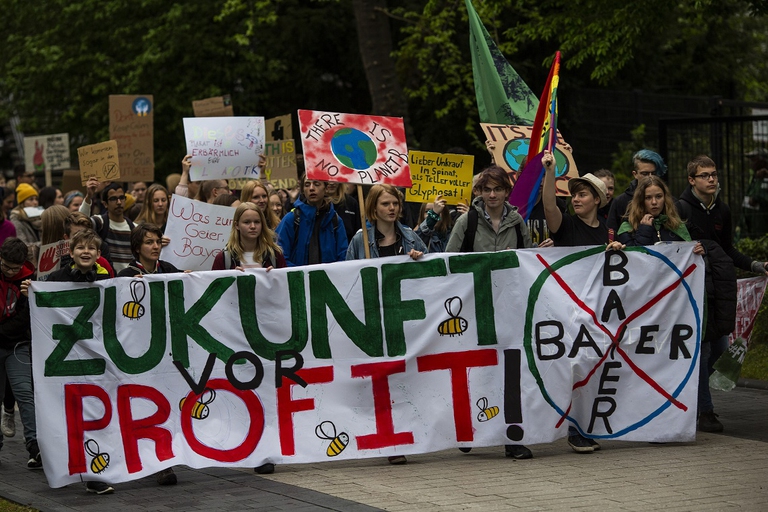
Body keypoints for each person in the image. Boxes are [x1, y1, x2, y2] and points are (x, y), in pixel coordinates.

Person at [443, 166, 534, 460]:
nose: (492, 195)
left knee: (509, 372)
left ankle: (513, 438)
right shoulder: (466, 222)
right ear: (479, 193)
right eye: (487, 190)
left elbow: (527, 262)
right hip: (472, 309)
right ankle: (468, 430)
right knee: (474, 371)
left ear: (506, 192)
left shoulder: (518, 222)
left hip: (508, 309)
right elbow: (447, 262)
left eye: (498, 189)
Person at [541, 149, 628, 453]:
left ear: (597, 200)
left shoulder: (607, 232)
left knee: (592, 370)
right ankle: (575, 429)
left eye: (582, 195)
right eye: (574, 195)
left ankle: (586, 424)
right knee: (572, 368)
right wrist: (550, 171)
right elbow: (549, 204)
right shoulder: (565, 225)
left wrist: (616, 250)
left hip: (596, 315)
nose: (576, 199)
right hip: (566, 311)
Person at [675, 154, 768, 433]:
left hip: (720, 291)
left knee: (721, 353)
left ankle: (691, 400)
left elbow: (727, 249)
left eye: (714, 174)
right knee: (702, 353)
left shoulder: (723, 210)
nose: (712, 179)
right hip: (694, 292)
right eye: (705, 175)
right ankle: (705, 411)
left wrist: (757, 265)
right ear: (692, 180)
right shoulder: (680, 209)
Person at [346, 184, 425, 465]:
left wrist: (419, 260)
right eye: (385, 204)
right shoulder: (360, 241)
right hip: (375, 320)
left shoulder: (412, 238)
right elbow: (347, 279)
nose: (391, 208)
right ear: (373, 208)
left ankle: (407, 433)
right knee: (384, 382)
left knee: (406, 379)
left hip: (405, 321)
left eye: (395, 203)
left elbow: (431, 279)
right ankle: (391, 440)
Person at [41, 229, 114, 494]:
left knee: (93, 416)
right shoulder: (56, 279)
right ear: (71, 253)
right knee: (67, 417)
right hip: (65, 362)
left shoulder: (108, 280)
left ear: (97, 255)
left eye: (91, 248)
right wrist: (31, 293)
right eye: (80, 247)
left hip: (95, 361)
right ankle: (65, 466)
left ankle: (94, 473)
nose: (86, 251)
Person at [0, 238, 41, 471]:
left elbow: (26, 317)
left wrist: (26, 296)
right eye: (5, 266)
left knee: (25, 393)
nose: (9, 271)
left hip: (17, 343)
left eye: (14, 268)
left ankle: (34, 444)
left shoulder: (29, 279)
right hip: (7, 339)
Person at [276, 176, 348, 266]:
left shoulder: (335, 221)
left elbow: (343, 257)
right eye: (307, 185)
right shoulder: (291, 219)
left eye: (316, 184)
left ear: (326, 188)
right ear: (302, 190)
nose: (311, 188)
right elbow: (280, 257)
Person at [617, 176, 700, 246]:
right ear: (640, 201)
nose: (654, 202)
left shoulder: (676, 225)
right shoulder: (628, 228)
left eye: (658, 196)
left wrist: (700, 249)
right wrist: (644, 230)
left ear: (665, 198)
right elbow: (634, 258)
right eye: (648, 198)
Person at [80, 179, 135, 273]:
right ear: (105, 204)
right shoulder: (100, 222)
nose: (118, 202)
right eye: (113, 199)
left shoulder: (134, 227)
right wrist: (89, 196)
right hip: (107, 280)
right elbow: (80, 222)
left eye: (122, 198)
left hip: (128, 280)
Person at [212, 202, 286, 271]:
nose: (253, 226)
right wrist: (230, 278)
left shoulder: (275, 255)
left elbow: (286, 282)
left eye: (257, 222)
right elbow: (213, 284)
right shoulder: (224, 258)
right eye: (247, 222)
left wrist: (275, 277)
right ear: (237, 225)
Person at [606, 149, 667, 232]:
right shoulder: (620, 202)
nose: (650, 177)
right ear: (635, 174)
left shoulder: (669, 201)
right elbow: (611, 233)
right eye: (645, 174)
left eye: (654, 173)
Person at [9, 183, 42, 263]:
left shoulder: (40, 218)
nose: (35, 202)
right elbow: (23, 245)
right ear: (22, 203)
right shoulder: (16, 219)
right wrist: (44, 244)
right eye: (31, 199)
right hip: (29, 262)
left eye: (36, 199)